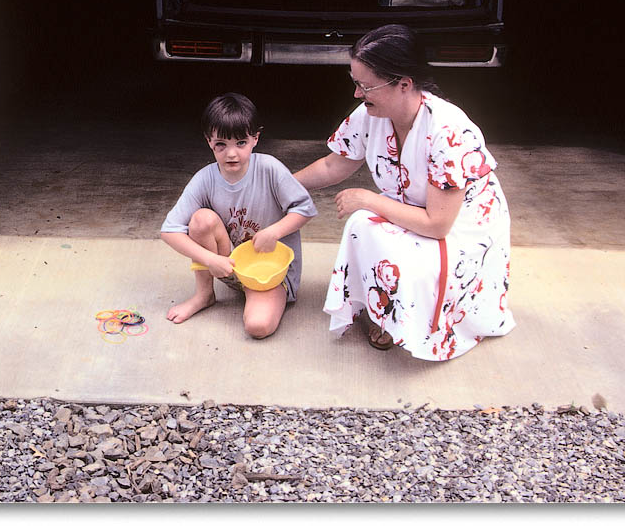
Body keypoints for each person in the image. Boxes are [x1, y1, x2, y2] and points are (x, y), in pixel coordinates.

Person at [294, 24, 514, 360]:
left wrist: (370, 199)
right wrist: (277, 185)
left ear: (404, 84)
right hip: (415, 213)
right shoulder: (372, 113)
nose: (357, 94)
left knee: (366, 217)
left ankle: (410, 316)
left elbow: (438, 224)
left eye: (365, 86)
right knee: (363, 226)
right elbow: (333, 166)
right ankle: (383, 311)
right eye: (355, 83)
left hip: (461, 231)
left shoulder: (448, 131)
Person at [160, 93, 317, 338]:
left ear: (255, 138)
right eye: (221, 144)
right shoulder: (205, 178)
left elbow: (305, 209)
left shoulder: (269, 169)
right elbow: (169, 230)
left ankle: (261, 299)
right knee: (201, 219)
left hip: (271, 273)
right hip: (232, 266)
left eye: (241, 143)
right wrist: (209, 259)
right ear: (208, 141)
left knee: (258, 326)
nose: (231, 153)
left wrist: (274, 232)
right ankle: (204, 295)